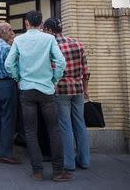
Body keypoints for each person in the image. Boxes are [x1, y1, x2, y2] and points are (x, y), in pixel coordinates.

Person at [4, 10, 73, 182]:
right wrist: (54, 79)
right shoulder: (49, 39)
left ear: (26, 23)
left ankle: (37, 171)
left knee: (30, 131)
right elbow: (61, 62)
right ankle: (58, 171)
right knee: (54, 130)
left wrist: (18, 77)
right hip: (46, 90)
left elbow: (8, 64)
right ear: (41, 23)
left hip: (27, 90)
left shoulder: (19, 40)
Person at [43, 17, 91, 171]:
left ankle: (69, 163)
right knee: (80, 124)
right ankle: (85, 161)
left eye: (45, 29)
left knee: (65, 125)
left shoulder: (52, 46)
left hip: (62, 88)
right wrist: (86, 89)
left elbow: (51, 69)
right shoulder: (77, 43)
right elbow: (86, 71)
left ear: (50, 30)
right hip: (78, 88)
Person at [0, 22, 21, 165]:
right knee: (8, 118)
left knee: (0, 117)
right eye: (10, 30)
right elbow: (14, 66)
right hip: (7, 84)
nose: (12, 32)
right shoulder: (7, 48)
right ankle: (5, 153)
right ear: (2, 33)